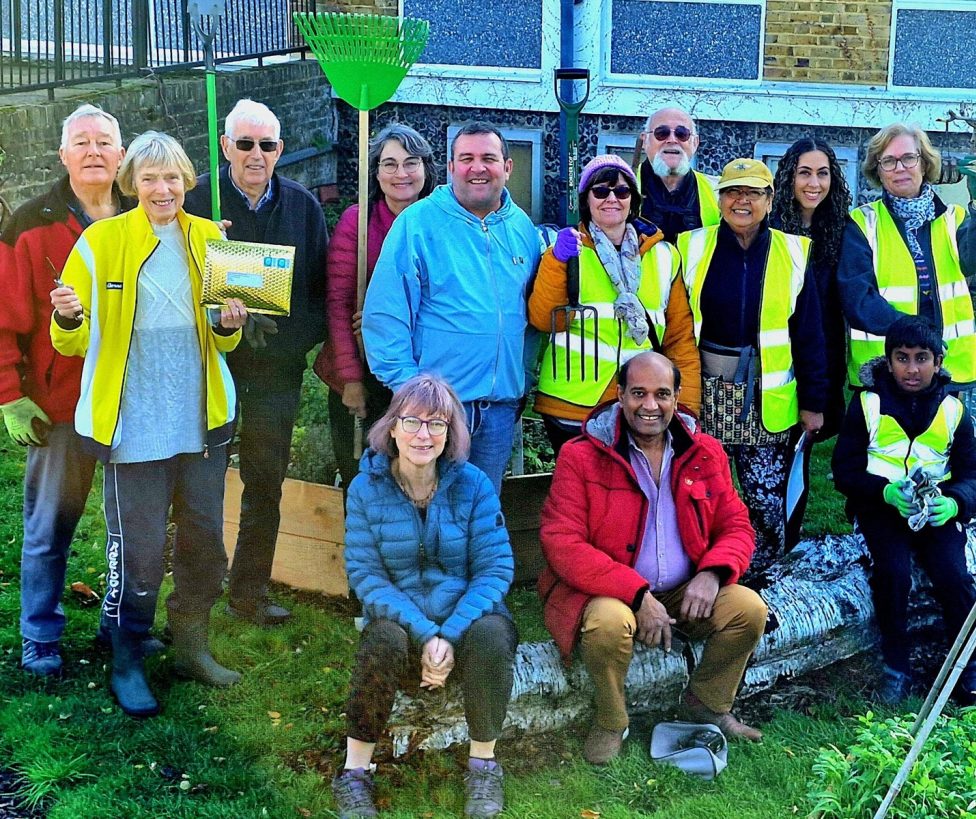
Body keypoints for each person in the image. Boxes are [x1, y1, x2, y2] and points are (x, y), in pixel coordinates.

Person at [50, 131, 247, 717]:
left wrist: (231, 321)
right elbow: (74, 341)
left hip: (200, 419)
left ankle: (191, 645)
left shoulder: (212, 238)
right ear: (130, 183)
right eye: (150, 178)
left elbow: (224, 337)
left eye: (173, 178)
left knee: (204, 540)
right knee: (139, 551)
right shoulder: (100, 242)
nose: (163, 189)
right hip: (133, 423)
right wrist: (69, 315)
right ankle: (128, 658)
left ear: (187, 181)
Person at [539, 352, 766, 766]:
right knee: (608, 624)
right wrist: (638, 595)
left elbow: (737, 526)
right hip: (610, 590)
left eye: (662, 394)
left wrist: (713, 573)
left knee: (748, 609)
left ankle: (708, 704)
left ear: (677, 397)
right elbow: (562, 542)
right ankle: (611, 720)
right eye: (638, 393)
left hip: (683, 590)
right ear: (620, 396)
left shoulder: (705, 451)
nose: (650, 406)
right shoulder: (581, 455)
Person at [0, 104, 143, 677]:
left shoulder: (146, 217)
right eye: (80, 142)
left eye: (104, 141)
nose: (93, 152)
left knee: (129, 526)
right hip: (59, 407)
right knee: (50, 527)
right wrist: (10, 392)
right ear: (62, 155)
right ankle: (41, 634)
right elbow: (3, 317)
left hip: (132, 402)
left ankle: (119, 624)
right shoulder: (30, 225)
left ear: (121, 153)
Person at [333, 374, 517, 818]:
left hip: (467, 621)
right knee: (381, 641)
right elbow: (366, 575)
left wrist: (449, 635)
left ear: (451, 433)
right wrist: (424, 633)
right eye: (412, 421)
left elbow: (495, 569)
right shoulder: (365, 489)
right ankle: (354, 773)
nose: (423, 434)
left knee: (494, 633)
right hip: (400, 620)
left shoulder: (472, 485)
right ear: (392, 427)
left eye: (437, 424)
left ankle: (483, 765)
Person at [186, 98, 328, 626]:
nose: (255, 154)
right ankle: (195, 592)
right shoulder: (197, 199)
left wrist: (292, 341)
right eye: (244, 143)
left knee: (265, 481)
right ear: (225, 146)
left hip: (276, 370)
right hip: (208, 366)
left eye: (266, 145)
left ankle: (249, 592)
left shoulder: (302, 206)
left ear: (280, 150)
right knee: (202, 480)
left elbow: (317, 289)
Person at [362, 122, 541, 494]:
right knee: (427, 519)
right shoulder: (418, 224)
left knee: (478, 517)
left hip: (498, 411)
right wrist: (411, 394)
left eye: (488, 158)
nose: (478, 168)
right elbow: (385, 316)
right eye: (467, 158)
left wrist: (520, 381)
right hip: (435, 413)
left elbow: (532, 316)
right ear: (450, 166)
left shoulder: (522, 228)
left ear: (508, 168)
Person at [677, 158, 827, 576]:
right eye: (732, 191)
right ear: (719, 198)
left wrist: (814, 402)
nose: (741, 201)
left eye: (753, 193)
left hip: (766, 399)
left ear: (770, 199)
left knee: (765, 496)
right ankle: (703, 570)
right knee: (703, 491)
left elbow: (810, 335)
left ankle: (767, 573)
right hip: (705, 395)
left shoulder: (793, 252)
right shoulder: (690, 247)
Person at [832, 315, 976, 706]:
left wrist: (953, 503)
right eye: (902, 358)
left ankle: (969, 664)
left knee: (954, 575)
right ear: (888, 362)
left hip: (935, 508)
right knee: (893, 573)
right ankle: (896, 665)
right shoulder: (866, 404)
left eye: (922, 358)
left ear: (938, 362)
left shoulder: (954, 409)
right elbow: (844, 471)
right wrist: (884, 493)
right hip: (880, 506)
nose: (912, 368)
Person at [527, 154, 700, 455]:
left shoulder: (664, 256)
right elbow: (544, 319)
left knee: (630, 496)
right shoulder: (567, 250)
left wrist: (686, 407)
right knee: (579, 497)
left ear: (633, 200)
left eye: (621, 191)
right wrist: (557, 261)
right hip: (574, 402)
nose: (611, 199)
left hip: (639, 405)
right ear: (586, 199)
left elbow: (679, 338)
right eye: (600, 191)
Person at [838, 123, 976, 395]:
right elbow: (857, 299)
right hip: (885, 371)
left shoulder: (953, 218)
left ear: (924, 164)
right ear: (877, 170)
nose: (900, 168)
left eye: (908, 158)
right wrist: (914, 336)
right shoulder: (862, 223)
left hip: (947, 372)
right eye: (888, 161)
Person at [314, 123, 437, 487]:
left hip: (423, 374)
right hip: (363, 372)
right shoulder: (358, 221)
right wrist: (351, 378)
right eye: (390, 164)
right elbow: (337, 302)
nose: (401, 174)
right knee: (365, 484)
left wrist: (384, 320)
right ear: (376, 172)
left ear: (426, 169)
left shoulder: (440, 222)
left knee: (416, 484)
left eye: (411, 163)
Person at [769, 138, 853, 548]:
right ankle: (774, 540)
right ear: (789, 178)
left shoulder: (841, 232)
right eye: (805, 172)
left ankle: (790, 537)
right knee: (776, 462)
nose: (814, 183)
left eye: (822, 173)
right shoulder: (772, 231)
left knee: (801, 457)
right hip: (778, 360)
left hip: (825, 360)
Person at [637, 107, 720, 243]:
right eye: (661, 133)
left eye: (682, 134)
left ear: (695, 143)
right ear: (645, 140)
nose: (672, 140)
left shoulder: (719, 191)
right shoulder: (618, 190)